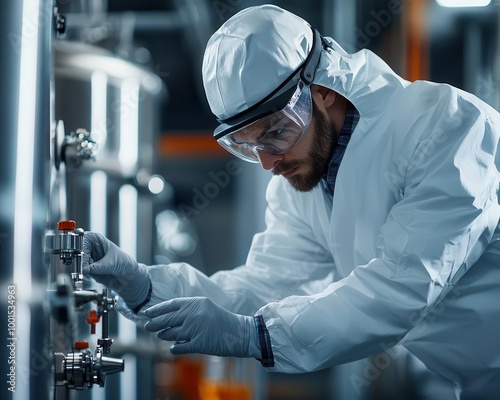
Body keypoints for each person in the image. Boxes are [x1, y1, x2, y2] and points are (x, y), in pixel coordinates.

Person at [83, 4, 500, 398]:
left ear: (323, 90)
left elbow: (402, 287)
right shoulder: (302, 183)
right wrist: (145, 286)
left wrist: (254, 336)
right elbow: (262, 286)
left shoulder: (444, 126)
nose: (267, 163)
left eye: (275, 132)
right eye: (246, 145)